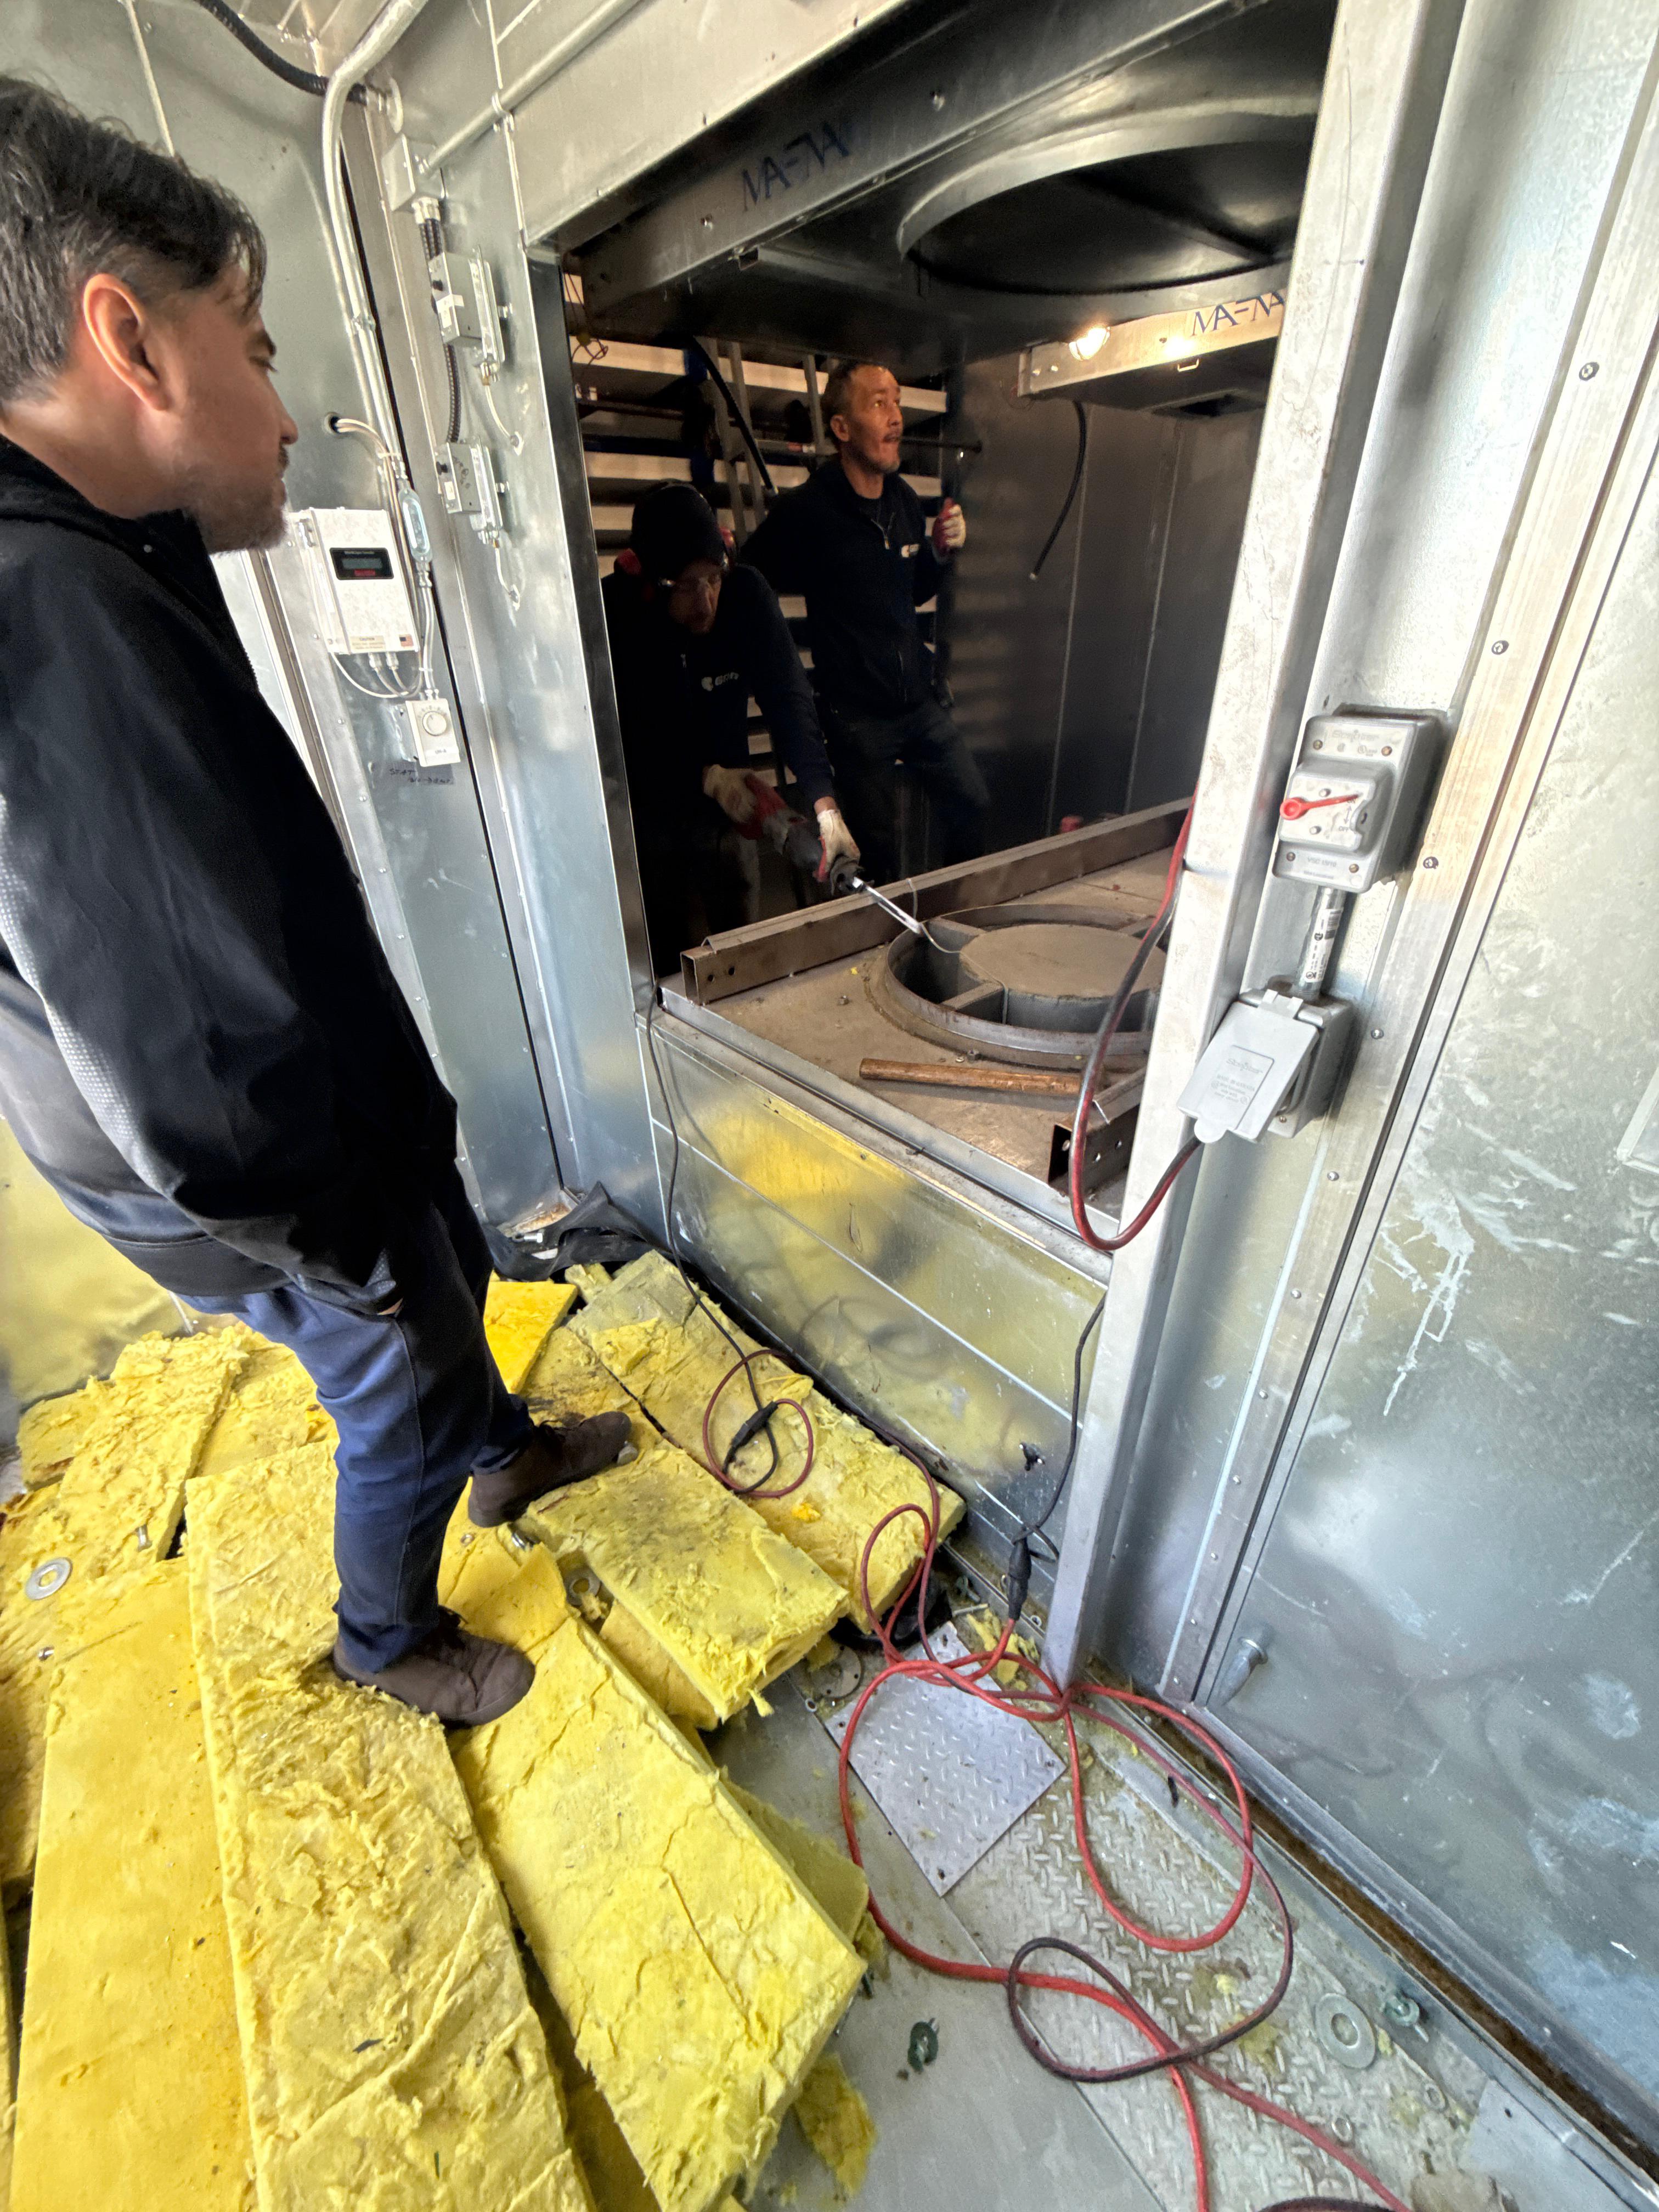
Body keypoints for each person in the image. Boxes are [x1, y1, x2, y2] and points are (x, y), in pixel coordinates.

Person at [0, 79, 629, 1728]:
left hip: (297, 1140)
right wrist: (350, 1249)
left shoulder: (97, 554)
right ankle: (387, 1636)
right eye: (261, 352)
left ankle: (503, 1451)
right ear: (130, 342)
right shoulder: (53, 609)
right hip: (256, 1179)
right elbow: (189, 1052)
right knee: (395, 1366)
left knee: (448, 1279)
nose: (286, 418)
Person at [742, 359, 988, 885]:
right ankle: (889, 934)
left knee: (972, 805)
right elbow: (748, 577)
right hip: (857, 721)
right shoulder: (810, 511)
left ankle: (952, 913)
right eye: (878, 403)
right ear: (842, 428)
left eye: (897, 401)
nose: (896, 416)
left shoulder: (903, 501)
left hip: (917, 704)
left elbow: (911, 592)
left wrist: (938, 554)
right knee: (878, 854)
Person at [602, 481, 859, 972]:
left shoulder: (746, 593)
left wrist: (824, 803)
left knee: (740, 945)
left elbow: (789, 697)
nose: (706, 603)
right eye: (686, 586)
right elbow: (617, 736)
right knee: (667, 951)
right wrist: (704, 777)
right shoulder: (617, 613)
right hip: (650, 811)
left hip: (730, 810)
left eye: (713, 579)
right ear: (647, 578)